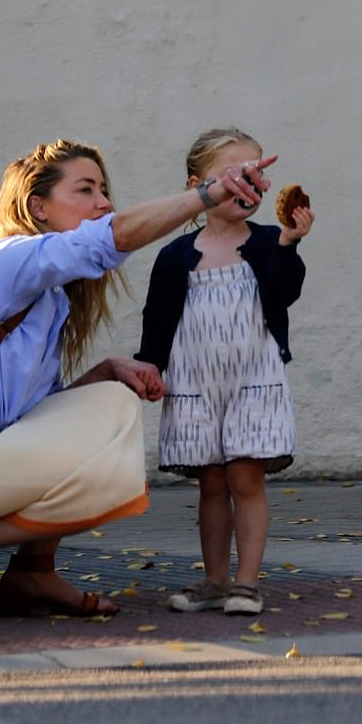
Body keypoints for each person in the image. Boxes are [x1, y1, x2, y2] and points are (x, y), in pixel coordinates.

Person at [0, 137, 273, 628]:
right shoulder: (11, 258)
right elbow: (112, 237)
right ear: (39, 207)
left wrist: (106, 373)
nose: (103, 202)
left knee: (110, 403)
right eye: (86, 190)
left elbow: (34, 419)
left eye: (104, 190)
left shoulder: (46, 298)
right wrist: (208, 195)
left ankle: (33, 574)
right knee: (105, 473)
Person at [136, 128, 315, 616]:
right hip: (196, 380)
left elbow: (283, 294)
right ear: (199, 185)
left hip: (254, 379)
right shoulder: (175, 256)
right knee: (212, 481)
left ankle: (246, 583)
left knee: (244, 476)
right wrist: (149, 364)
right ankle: (214, 580)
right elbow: (158, 317)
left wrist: (288, 244)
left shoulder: (267, 242)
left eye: (256, 174)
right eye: (233, 175)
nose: (248, 185)